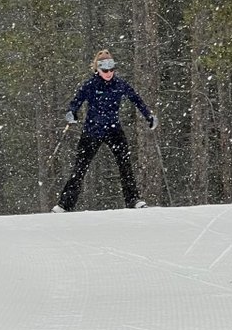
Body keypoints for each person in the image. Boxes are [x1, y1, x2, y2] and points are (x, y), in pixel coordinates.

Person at [53, 49, 157, 212]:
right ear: (97, 69)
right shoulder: (90, 85)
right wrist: (71, 113)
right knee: (80, 167)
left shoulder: (120, 84)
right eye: (104, 69)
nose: (109, 73)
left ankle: (133, 200)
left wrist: (149, 116)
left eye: (111, 69)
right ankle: (65, 204)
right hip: (92, 131)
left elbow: (136, 100)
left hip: (114, 130)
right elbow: (76, 102)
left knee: (125, 165)